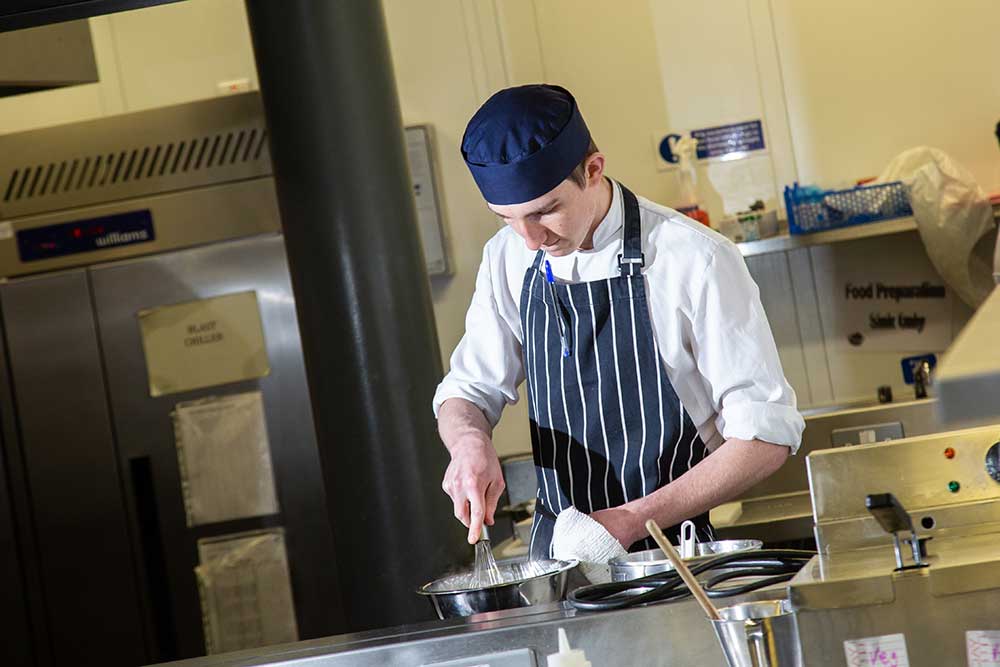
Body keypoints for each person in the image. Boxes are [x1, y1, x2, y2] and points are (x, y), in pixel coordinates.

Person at [433, 84, 804, 567]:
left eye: (546, 211)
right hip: (561, 562)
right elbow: (468, 389)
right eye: (508, 219)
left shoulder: (693, 257)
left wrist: (633, 520)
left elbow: (766, 435)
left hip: (676, 559)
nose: (529, 240)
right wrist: (467, 443)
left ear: (593, 169)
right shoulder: (506, 258)